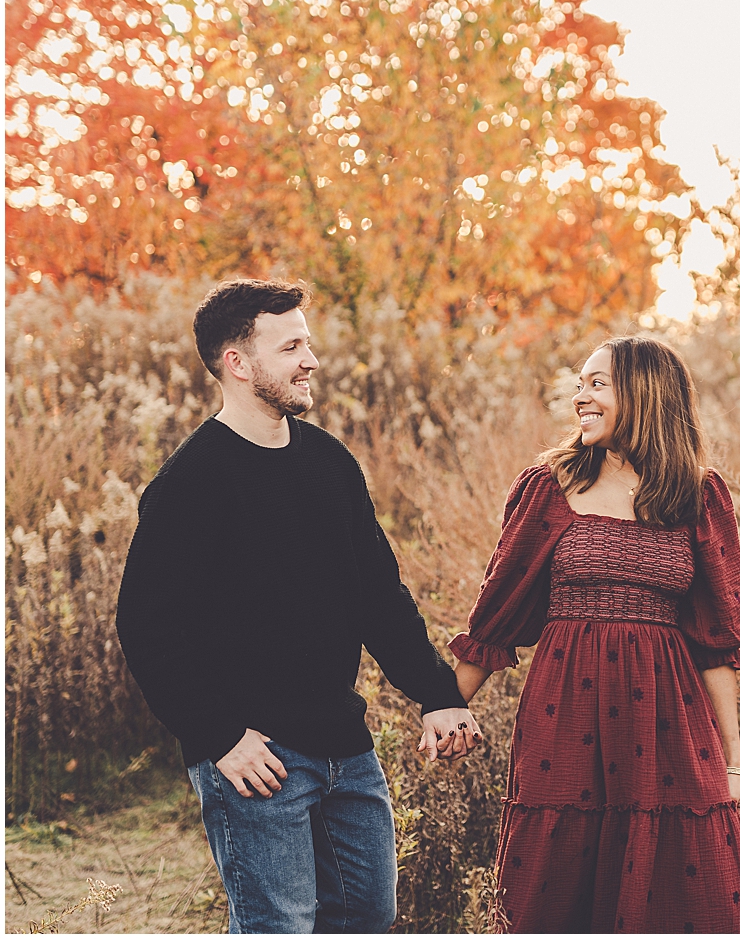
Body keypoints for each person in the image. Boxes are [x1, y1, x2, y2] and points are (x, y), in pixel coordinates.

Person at [116, 278, 481, 934]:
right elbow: (147, 625)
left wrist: (437, 692)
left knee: (366, 919)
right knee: (276, 926)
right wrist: (217, 736)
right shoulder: (190, 481)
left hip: (347, 748)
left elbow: (379, 595)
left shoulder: (330, 464)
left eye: (307, 342)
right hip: (257, 760)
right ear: (238, 362)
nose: (310, 358)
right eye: (290, 346)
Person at [449, 336, 740, 933]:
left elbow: (714, 642)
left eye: (596, 385)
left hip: (668, 724)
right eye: (579, 384)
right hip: (567, 717)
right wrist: (442, 708)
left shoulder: (698, 494)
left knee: (684, 890)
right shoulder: (549, 487)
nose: (579, 397)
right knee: (554, 886)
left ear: (644, 395)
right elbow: (497, 619)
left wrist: (733, 766)